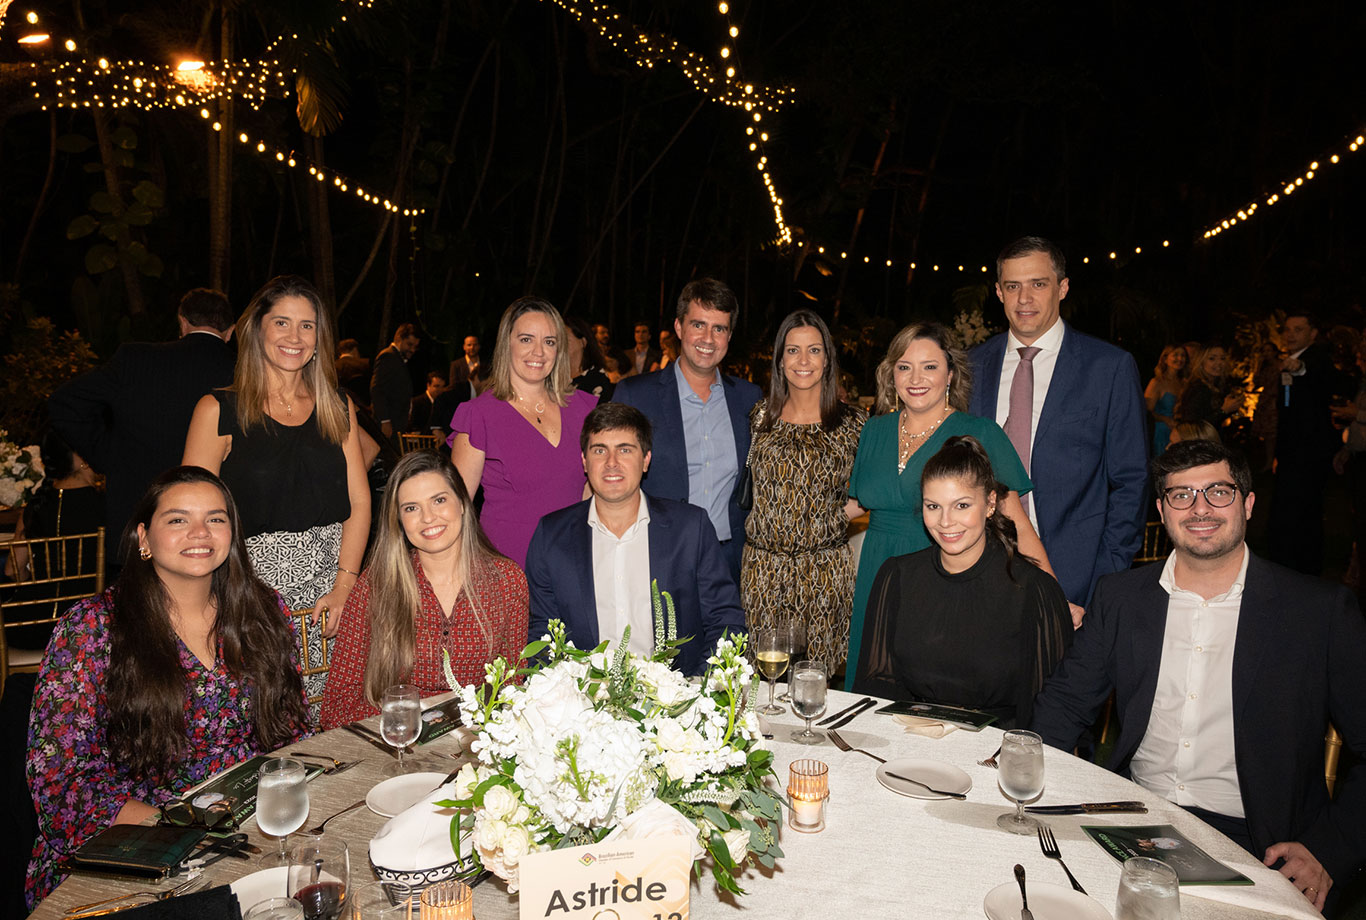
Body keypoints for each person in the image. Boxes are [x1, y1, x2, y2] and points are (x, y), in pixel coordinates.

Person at [1030, 439, 1366, 915]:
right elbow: (1064, 704)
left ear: (1248, 503)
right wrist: (1027, 783)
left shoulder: (1318, 612)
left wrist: (1329, 851)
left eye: (1218, 492)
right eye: (1181, 495)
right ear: (1162, 511)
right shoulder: (1122, 597)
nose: (1200, 508)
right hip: (1134, 818)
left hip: (1260, 845)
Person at [24, 466, 309, 907]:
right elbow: (60, 784)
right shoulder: (92, 628)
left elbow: (293, 733)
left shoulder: (262, 610)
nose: (200, 532)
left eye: (215, 518)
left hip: (248, 829)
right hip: (129, 847)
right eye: (178, 519)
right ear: (143, 537)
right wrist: (180, 826)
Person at [182, 275, 370, 709]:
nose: (295, 337)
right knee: (265, 721)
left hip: (331, 595)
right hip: (249, 596)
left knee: (338, 722)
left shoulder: (337, 406)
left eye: (307, 326)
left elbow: (360, 503)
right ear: (256, 330)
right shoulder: (218, 410)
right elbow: (191, 519)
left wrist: (346, 584)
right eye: (282, 322)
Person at [845, 321, 1055, 688]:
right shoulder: (874, 430)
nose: (916, 378)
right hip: (877, 578)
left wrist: (1052, 597)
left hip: (943, 578)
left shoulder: (981, 433)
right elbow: (856, 504)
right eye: (904, 367)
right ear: (892, 374)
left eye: (930, 366)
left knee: (932, 690)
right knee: (873, 686)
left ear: (951, 375)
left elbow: (1015, 521)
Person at [969, 235, 1147, 615]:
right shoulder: (972, 366)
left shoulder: (1108, 367)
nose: (1024, 299)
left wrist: (1104, 578)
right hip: (977, 567)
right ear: (998, 292)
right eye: (1013, 286)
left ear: (1062, 288)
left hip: (1075, 578)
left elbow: (1131, 481)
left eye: (1038, 284)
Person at [853, 436, 1071, 728]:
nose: (946, 522)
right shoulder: (898, 577)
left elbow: (1053, 708)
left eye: (962, 505)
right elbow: (876, 685)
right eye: (933, 506)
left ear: (990, 503)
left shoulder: (1033, 591)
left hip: (995, 745)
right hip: (911, 737)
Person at [524, 404, 745, 676]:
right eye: (599, 450)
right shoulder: (552, 536)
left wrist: (698, 687)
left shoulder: (690, 529)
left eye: (625, 450)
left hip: (677, 693)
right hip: (584, 696)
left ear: (646, 459)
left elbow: (725, 621)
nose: (611, 462)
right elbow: (542, 633)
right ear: (584, 461)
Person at [320, 452, 527, 728]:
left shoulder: (506, 580)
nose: (428, 517)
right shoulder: (376, 585)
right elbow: (336, 707)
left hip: (476, 741)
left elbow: (512, 690)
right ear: (398, 519)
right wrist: (410, 717)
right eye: (411, 508)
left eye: (439, 500)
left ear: (462, 503)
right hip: (396, 741)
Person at [47, 287, 236, 544]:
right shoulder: (243, 371)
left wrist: (109, 456)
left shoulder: (135, 360)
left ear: (182, 322)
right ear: (230, 331)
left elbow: (65, 403)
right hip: (215, 526)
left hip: (139, 518)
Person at [613, 279, 762, 584]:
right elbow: (610, 477)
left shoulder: (749, 399)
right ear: (679, 327)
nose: (708, 338)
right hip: (654, 558)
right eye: (698, 325)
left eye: (719, 328)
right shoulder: (635, 396)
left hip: (728, 564)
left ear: (729, 336)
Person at [741, 310, 866, 671]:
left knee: (816, 679)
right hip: (763, 571)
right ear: (780, 360)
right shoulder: (760, 416)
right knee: (761, 677)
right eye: (793, 350)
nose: (803, 361)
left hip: (823, 571)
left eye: (814, 350)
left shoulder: (853, 423)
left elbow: (873, 488)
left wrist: (836, 517)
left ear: (827, 359)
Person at [449, 296, 597, 567]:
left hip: (574, 563)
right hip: (508, 569)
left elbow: (591, 491)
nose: (539, 352)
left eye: (549, 342)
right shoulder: (480, 415)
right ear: (507, 344)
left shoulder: (584, 409)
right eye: (527, 339)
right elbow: (456, 509)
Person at [1269, 311, 1345, 574]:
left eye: (1298, 329)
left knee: (1304, 514)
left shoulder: (1316, 359)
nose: (1290, 335)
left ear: (1313, 334)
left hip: (1309, 456)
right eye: (1287, 330)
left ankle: (1303, 569)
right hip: (1292, 454)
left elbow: (1320, 375)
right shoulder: (1290, 362)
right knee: (1291, 513)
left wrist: (1300, 368)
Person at [4, 430, 104, 582]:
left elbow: (13, 571)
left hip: (39, 596)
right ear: (82, 458)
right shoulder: (105, 504)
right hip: (90, 596)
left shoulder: (36, 505)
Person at [371, 323, 421, 444]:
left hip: (396, 424)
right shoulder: (388, 356)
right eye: (409, 344)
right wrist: (384, 421)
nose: (412, 350)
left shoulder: (397, 359)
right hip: (389, 425)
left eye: (415, 346)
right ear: (399, 338)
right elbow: (377, 389)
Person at [1175, 344, 1240, 430]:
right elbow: (1193, 426)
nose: (1219, 363)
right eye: (1212, 359)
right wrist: (1223, 411)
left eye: (1222, 358)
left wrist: (1233, 406)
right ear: (1201, 362)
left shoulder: (1218, 385)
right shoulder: (1197, 388)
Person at [1145, 345, 1188, 456]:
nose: (1180, 359)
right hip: (1161, 432)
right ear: (1165, 359)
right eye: (1175, 355)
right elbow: (1146, 411)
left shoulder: (1184, 383)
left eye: (1183, 355)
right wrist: (1165, 419)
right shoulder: (1157, 382)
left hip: (1179, 433)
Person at [566, 315, 614, 400]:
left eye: (565, 339)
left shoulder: (595, 378)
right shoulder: (552, 375)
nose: (559, 344)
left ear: (583, 342)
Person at [335, 338, 371, 406]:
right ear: (355, 349)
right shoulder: (365, 363)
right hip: (364, 405)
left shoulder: (334, 366)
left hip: (342, 404)